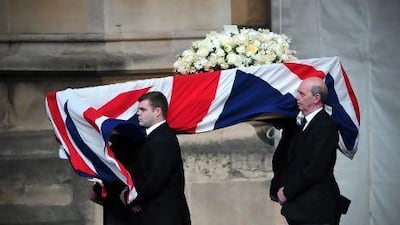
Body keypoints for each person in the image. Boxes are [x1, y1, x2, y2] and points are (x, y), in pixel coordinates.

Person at [270, 77, 350, 225]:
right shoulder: (299, 123)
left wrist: (286, 192)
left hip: (316, 210)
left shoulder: (326, 126)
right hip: (299, 207)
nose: (296, 97)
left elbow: (314, 169)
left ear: (316, 98)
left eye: (302, 94)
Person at [125, 91, 191, 225]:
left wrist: (136, 200)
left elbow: (156, 178)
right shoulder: (154, 138)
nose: (138, 113)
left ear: (157, 112)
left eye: (143, 109)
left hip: (163, 216)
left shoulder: (162, 139)